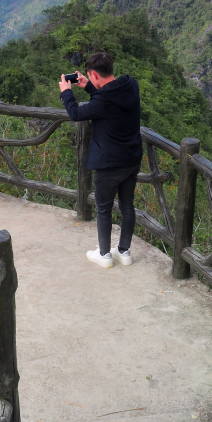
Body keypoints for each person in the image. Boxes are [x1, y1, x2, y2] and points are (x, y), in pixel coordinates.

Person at [59, 52, 143, 268]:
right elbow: (109, 98)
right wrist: (89, 86)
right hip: (132, 159)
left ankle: (104, 255)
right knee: (127, 207)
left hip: (109, 164)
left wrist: (66, 93)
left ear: (93, 73)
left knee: (104, 209)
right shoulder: (130, 85)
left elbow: (76, 113)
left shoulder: (102, 101)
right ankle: (124, 252)